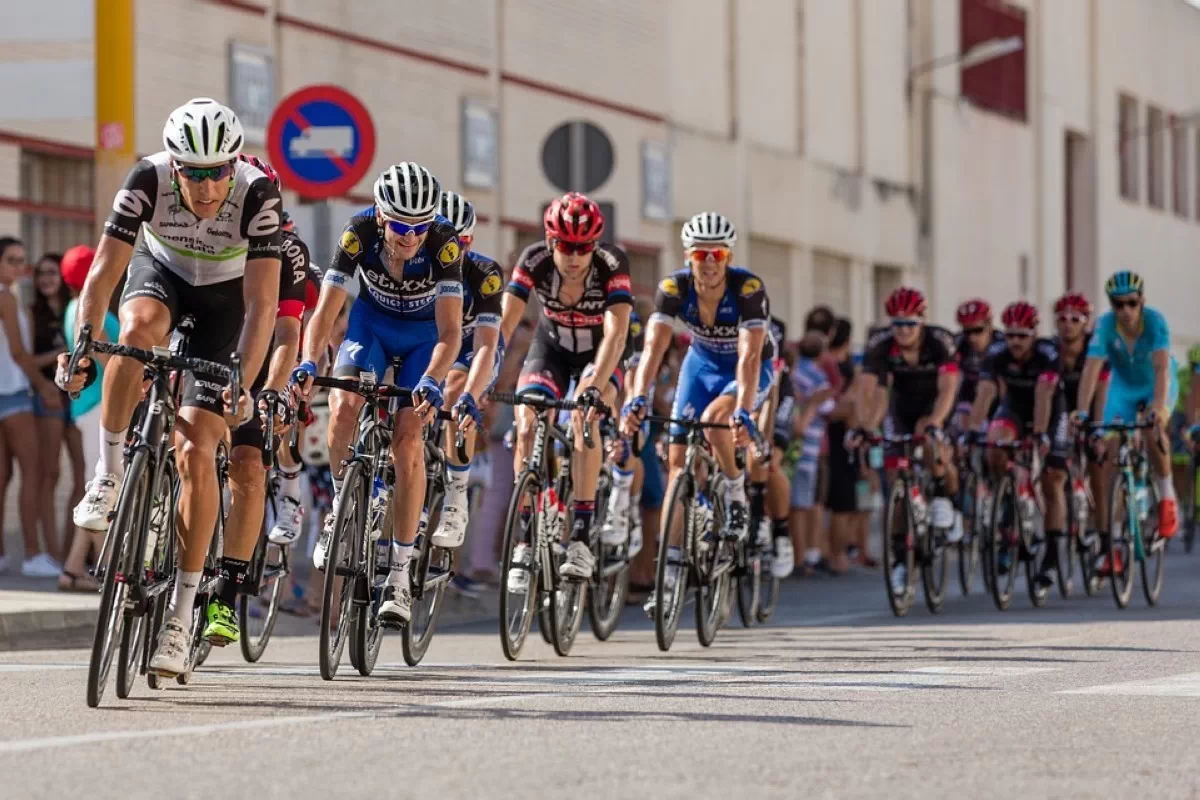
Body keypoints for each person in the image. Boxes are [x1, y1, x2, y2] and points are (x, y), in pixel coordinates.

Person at [57, 98, 283, 677]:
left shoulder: (257, 193)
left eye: (218, 172)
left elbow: (261, 305)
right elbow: (104, 272)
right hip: (163, 275)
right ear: (173, 163)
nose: (207, 187)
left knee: (195, 449)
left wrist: (243, 378)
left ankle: (182, 616)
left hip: (226, 304)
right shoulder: (146, 179)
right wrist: (84, 344)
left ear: (234, 164)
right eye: (194, 172)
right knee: (135, 331)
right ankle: (107, 475)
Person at [293, 162, 463, 627]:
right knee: (344, 403)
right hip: (372, 325)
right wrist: (310, 360)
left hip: (424, 338)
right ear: (381, 215)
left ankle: (401, 575)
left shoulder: (444, 244)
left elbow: (451, 331)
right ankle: (340, 510)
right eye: (401, 226)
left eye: (420, 227)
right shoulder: (358, 232)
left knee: (408, 439)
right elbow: (325, 313)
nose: (411, 237)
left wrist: (432, 379)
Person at [622, 212, 770, 608]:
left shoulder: (748, 288)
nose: (709, 263)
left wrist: (743, 408)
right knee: (676, 469)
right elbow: (653, 351)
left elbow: (750, 356)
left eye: (717, 254)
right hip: (701, 367)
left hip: (744, 369)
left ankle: (736, 495)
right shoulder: (674, 286)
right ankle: (669, 577)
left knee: (715, 420)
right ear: (689, 255)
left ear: (728, 256)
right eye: (701, 254)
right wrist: (638, 395)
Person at [200, 154, 308, 645]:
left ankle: (226, 592)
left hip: (259, 358)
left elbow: (288, 330)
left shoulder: (287, 249)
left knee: (247, 465)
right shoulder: (199, 229)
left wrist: (274, 391)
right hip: (207, 346)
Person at [500, 192, 632, 580]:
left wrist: (596, 384)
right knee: (525, 420)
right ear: (550, 241)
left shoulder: (612, 263)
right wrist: (484, 370)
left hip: (601, 354)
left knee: (584, 419)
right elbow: (505, 324)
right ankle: (525, 537)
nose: (574, 257)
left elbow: (616, 334)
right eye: (565, 246)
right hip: (552, 348)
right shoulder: (534, 260)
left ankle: (581, 534)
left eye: (583, 247)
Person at [854, 287, 960, 595]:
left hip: (934, 404)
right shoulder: (880, 344)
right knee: (894, 480)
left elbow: (948, 389)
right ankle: (900, 560)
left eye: (910, 324)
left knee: (934, 447)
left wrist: (936, 423)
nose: (903, 330)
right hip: (901, 406)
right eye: (897, 323)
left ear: (922, 321)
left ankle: (944, 498)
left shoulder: (940, 341)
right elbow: (866, 389)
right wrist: (863, 426)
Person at [1075, 271, 1179, 574]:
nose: (1126, 311)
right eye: (1118, 305)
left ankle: (1167, 497)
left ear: (1142, 301)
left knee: (1152, 430)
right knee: (1106, 456)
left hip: (1154, 384)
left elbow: (1161, 369)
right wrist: (1082, 412)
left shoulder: (1156, 322)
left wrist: (1158, 408)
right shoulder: (1106, 326)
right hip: (1123, 388)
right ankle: (1113, 545)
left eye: (1132, 304)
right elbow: (1091, 371)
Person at [966, 301, 1068, 586]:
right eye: (1010, 335)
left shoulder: (1048, 353)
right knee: (994, 445)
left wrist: (1039, 433)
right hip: (1014, 407)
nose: (1015, 342)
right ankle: (1008, 500)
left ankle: (1050, 556)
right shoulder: (996, 352)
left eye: (1022, 336)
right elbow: (985, 393)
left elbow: (1044, 394)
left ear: (1034, 334)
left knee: (1053, 477)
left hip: (1048, 410)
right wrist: (974, 429)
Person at [432, 190, 502, 551]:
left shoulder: (484, 273)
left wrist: (473, 395)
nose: (449, 250)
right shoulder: (414, 263)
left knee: (455, 391)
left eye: (460, 243)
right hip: (430, 346)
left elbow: (487, 345)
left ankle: (456, 493)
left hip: (474, 348)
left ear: (470, 242)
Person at [58, 246, 119, 591]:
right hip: (101, 406)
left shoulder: (73, 306)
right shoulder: (89, 306)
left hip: (87, 407)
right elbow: (107, 357)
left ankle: (73, 568)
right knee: (100, 490)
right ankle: (106, 569)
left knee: (96, 487)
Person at [0, 237, 59, 577]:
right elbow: (18, 353)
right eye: (11, 260)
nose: (19, 267)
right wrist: (43, 386)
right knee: (33, 473)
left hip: (6, 392)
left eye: (22, 260)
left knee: (4, 476)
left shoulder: (11, 296)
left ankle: (4, 555)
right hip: (15, 395)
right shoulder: (6, 297)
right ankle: (33, 555)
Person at [30, 253, 79, 582]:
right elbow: (28, 359)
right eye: (40, 273)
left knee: (83, 474)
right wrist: (63, 357)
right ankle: (53, 553)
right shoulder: (31, 314)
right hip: (47, 397)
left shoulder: (72, 309)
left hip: (76, 399)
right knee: (50, 473)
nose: (46, 278)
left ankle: (73, 550)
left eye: (52, 272)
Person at [789, 331, 836, 575]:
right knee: (802, 505)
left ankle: (797, 556)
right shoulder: (818, 377)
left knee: (795, 504)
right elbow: (828, 406)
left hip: (787, 445)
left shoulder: (793, 371)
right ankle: (801, 558)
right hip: (807, 449)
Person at [824, 317, 862, 573]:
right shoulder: (838, 367)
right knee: (841, 503)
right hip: (839, 440)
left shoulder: (839, 365)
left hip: (845, 439)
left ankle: (838, 553)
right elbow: (847, 403)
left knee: (847, 502)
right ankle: (836, 555)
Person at [952, 298, 1003, 435]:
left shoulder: (1002, 344)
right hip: (969, 394)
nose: (972, 338)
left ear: (990, 326)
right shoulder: (959, 343)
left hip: (999, 396)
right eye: (967, 332)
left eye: (978, 330)